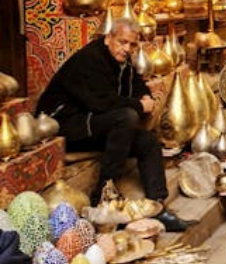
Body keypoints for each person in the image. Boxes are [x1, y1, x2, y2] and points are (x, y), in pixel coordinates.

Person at [36, 19, 196, 232]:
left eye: (131, 45)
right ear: (108, 38)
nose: (126, 48)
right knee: (127, 116)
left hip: (94, 123)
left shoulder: (122, 61)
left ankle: (158, 206)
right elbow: (99, 102)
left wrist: (145, 97)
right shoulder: (90, 58)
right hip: (64, 125)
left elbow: (137, 85)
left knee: (147, 141)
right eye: (122, 42)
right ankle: (103, 195)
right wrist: (139, 105)